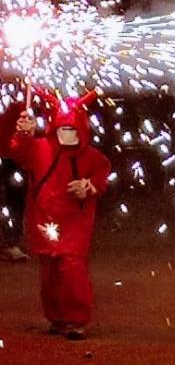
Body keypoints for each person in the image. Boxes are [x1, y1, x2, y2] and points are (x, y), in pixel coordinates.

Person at [6, 90, 110, 340]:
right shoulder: (40, 148)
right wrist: (23, 133)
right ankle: (57, 317)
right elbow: (18, 153)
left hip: (75, 222)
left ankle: (75, 319)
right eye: (63, 130)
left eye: (72, 131)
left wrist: (89, 186)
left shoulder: (92, 156)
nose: (67, 136)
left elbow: (101, 176)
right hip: (43, 219)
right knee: (50, 271)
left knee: (72, 267)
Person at [0, 101, 29, 262]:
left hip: (14, 155)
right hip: (10, 154)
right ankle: (10, 242)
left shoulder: (18, 99)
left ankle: (11, 242)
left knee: (15, 201)